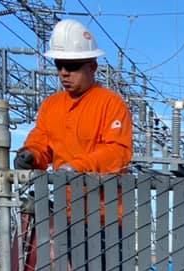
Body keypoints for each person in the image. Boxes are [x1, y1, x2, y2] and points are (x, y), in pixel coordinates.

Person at [14, 19, 132, 174]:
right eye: (59, 65)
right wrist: (31, 155)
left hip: (102, 196)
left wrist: (77, 167)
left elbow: (118, 153)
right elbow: (41, 143)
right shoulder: (51, 105)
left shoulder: (110, 104)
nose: (64, 72)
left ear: (92, 67)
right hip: (63, 195)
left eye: (71, 66)